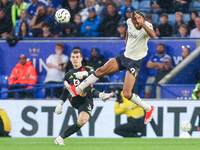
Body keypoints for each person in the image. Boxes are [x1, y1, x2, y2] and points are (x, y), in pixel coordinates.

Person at [64, 11, 156, 125]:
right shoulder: (129, 22)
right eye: (135, 22)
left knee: (127, 93)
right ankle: (77, 89)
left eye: (138, 22)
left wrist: (142, 23)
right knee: (100, 70)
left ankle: (148, 108)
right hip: (125, 57)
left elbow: (153, 35)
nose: (136, 25)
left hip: (134, 62)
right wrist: (128, 43)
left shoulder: (147, 25)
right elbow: (128, 31)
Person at [54, 49, 114, 145]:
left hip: (87, 100)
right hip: (75, 99)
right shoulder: (68, 74)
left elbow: (98, 75)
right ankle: (99, 95)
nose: (75, 59)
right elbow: (65, 93)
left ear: (81, 58)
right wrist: (59, 104)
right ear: (70, 59)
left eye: (77, 57)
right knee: (83, 87)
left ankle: (60, 138)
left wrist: (85, 74)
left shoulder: (88, 68)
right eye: (73, 57)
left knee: (82, 121)